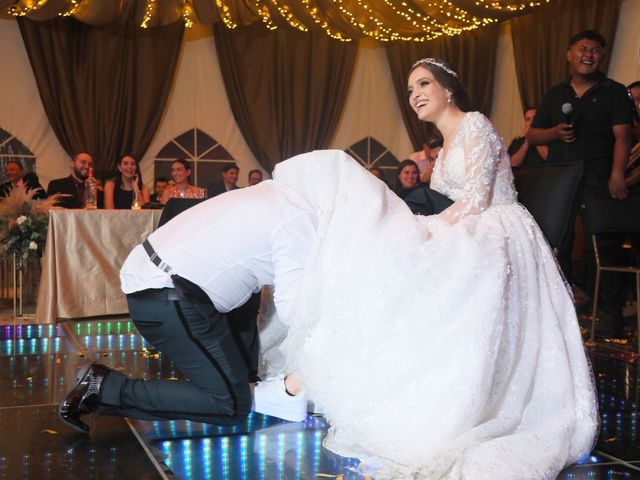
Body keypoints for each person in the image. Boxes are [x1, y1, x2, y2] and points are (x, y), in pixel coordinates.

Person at [253, 58, 597, 479]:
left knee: (407, 257)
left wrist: (428, 231)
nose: (415, 93)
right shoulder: (443, 143)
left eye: (424, 83)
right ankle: (327, 379)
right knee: (378, 255)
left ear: (448, 89)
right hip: (471, 226)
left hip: (499, 232)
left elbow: (475, 200)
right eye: (410, 87)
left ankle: (313, 384)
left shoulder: (475, 124)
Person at [58, 179, 317, 433]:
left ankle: (245, 382)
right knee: (232, 405)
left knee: (249, 298)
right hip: (168, 298)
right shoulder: (296, 221)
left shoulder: (272, 194)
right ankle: (106, 387)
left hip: (163, 284)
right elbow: (293, 309)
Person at [527, 30, 634, 337]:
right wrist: (554, 134)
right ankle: (560, 310)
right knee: (555, 244)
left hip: (599, 177)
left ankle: (610, 315)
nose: (589, 55)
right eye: (583, 49)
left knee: (602, 245)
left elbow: (623, 135)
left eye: (596, 50)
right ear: (569, 55)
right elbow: (533, 135)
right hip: (559, 179)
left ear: (603, 57)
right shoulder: (556, 93)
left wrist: (617, 174)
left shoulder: (613, 92)